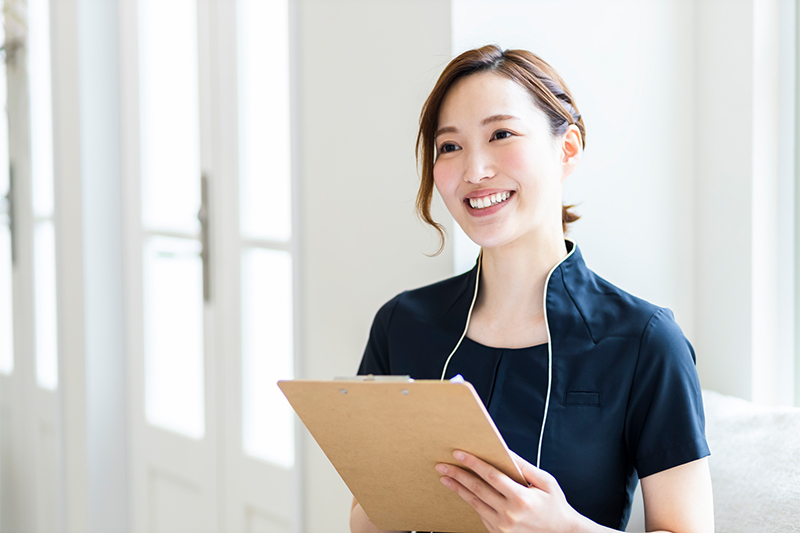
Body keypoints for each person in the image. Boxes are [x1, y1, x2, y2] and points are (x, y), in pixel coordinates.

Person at [350, 45, 714, 533]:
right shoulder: (401, 324)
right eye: (450, 146)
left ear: (568, 149)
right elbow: (364, 520)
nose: (474, 171)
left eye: (501, 134)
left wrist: (565, 529)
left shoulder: (646, 341)